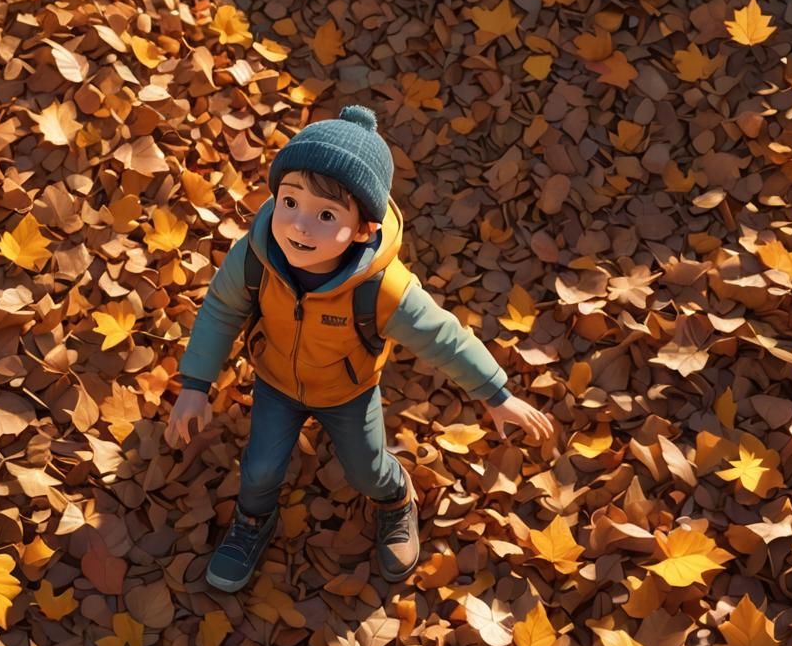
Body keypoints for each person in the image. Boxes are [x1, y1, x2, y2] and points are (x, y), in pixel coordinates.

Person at [165, 105, 554, 592]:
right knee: (259, 469)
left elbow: (443, 337)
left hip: (347, 391)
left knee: (367, 470)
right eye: (290, 201)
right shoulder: (255, 258)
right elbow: (220, 311)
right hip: (276, 382)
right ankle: (253, 520)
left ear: (365, 229)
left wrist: (495, 393)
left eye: (326, 215)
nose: (300, 226)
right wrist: (196, 384)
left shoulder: (384, 289)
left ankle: (395, 498)